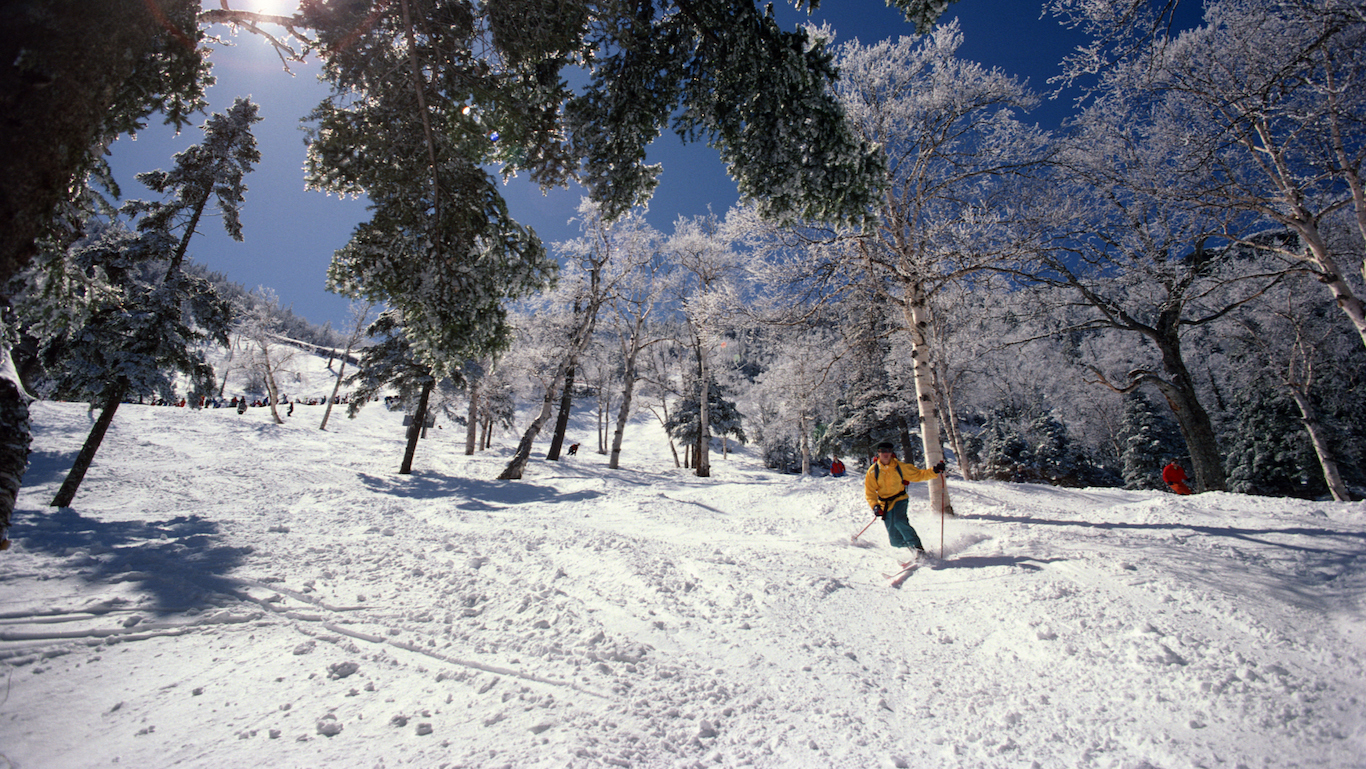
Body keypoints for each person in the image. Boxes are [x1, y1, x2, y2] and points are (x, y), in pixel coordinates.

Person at [864, 441, 946, 558]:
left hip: (900, 499)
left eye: (888, 451)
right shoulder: (873, 471)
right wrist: (875, 506)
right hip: (885, 504)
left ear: (891, 453)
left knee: (899, 521)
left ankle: (918, 549)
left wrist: (935, 470)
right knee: (895, 541)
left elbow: (919, 475)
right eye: (882, 451)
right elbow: (870, 492)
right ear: (878, 453)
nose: (885, 454)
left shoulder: (900, 467)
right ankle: (911, 548)